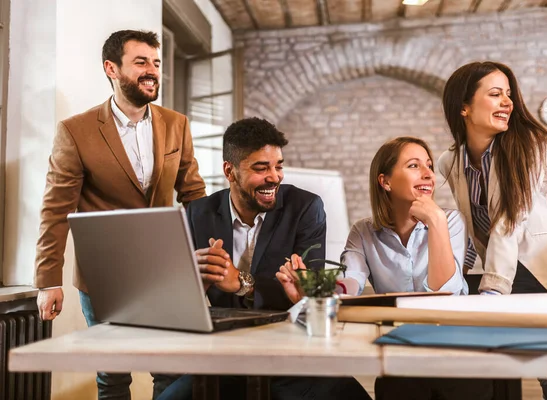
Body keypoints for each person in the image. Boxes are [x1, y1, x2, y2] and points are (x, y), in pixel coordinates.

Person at [34, 30, 206, 399]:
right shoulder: (76, 131)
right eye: (141, 62)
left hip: (165, 273)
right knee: (113, 376)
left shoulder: (176, 124)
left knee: (171, 372)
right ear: (111, 68)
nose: (152, 71)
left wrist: (209, 256)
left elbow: (194, 195)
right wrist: (48, 281)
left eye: (156, 63)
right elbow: (55, 210)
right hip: (104, 277)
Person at [163, 117, 369, 400]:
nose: (274, 177)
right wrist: (196, 281)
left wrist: (242, 283)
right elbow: (177, 302)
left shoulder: (305, 208)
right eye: (261, 168)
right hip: (223, 355)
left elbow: (308, 293)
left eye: (278, 166)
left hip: (291, 352)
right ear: (230, 171)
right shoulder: (199, 213)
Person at [277, 136, 491, 400]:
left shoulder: (450, 221)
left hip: (456, 355)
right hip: (401, 360)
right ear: (385, 181)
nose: (428, 175)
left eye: (429, 165)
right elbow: (350, 284)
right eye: (414, 166)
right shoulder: (364, 232)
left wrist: (435, 220)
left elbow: (445, 291)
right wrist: (314, 291)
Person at [438, 61, 547, 295]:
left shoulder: (530, 146)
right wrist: (459, 273)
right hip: (509, 268)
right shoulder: (450, 161)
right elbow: (470, 222)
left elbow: (510, 217)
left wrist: (493, 289)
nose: (507, 102)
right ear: (464, 107)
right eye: (495, 94)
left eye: (508, 94)